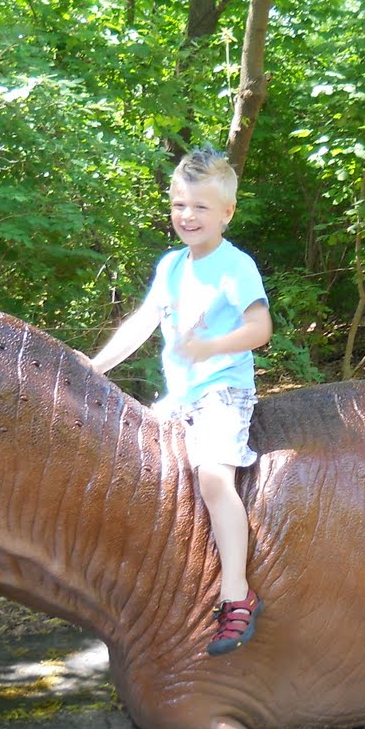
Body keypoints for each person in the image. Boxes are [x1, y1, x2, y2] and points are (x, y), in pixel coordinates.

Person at [88, 146, 272, 656]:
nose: (186, 216)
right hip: (180, 395)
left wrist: (209, 346)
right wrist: (96, 366)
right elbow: (142, 322)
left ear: (227, 213)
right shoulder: (172, 266)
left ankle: (237, 592)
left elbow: (260, 328)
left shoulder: (235, 267)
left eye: (199, 207)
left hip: (222, 390)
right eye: (178, 205)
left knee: (213, 475)